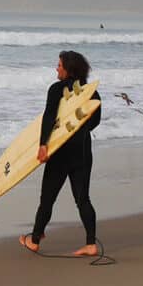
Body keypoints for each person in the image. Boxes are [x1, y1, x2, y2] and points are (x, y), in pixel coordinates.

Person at [19, 50, 102, 257]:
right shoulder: (91, 92)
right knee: (83, 199)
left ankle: (35, 240)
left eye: (59, 65)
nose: (56, 68)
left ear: (68, 69)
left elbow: (49, 117)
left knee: (47, 198)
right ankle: (91, 244)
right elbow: (94, 121)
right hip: (83, 151)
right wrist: (77, 134)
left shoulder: (56, 89)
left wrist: (43, 145)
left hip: (60, 152)